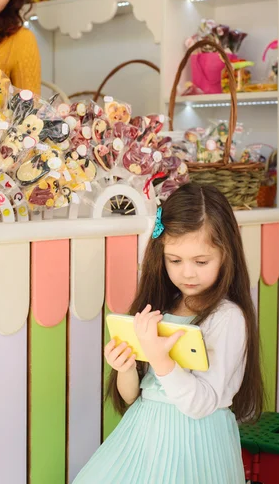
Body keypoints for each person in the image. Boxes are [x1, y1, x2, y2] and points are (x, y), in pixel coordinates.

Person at [74, 183, 263, 484]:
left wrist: (161, 358)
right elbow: (135, 395)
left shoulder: (226, 318)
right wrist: (124, 368)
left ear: (226, 255)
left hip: (195, 445)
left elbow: (200, 404)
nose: (187, 273)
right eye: (174, 260)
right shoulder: (161, 304)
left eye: (201, 262)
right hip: (144, 437)